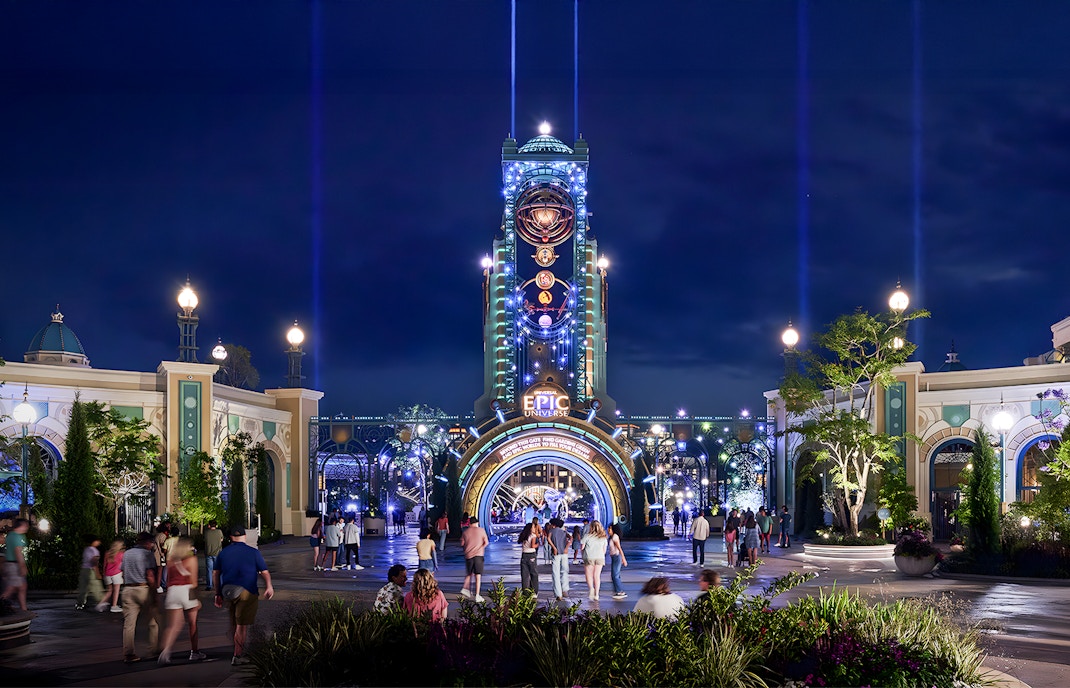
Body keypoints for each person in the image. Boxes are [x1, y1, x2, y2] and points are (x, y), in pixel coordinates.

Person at [213, 525, 274, 666]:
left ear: (231, 538)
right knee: (242, 626)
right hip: (246, 590)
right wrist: (269, 586)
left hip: (227, 590)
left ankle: (236, 644)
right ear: (245, 537)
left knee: (234, 622)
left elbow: (216, 573)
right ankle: (238, 655)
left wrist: (218, 593)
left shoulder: (223, 553)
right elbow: (264, 571)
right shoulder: (253, 552)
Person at [158, 537, 205, 664]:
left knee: (173, 625)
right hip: (187, 591)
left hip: (173, 592)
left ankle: (165, 652)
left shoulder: (171, 561)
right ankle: (194, 652)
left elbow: (168, 580)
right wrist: (198, 598)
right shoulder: (191, 560)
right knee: (192, 623)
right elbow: (194, 582)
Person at [120, 531, 160, 664]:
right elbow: (150, 575)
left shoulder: (127, 554)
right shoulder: (147, 554)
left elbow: (123, 571)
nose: (152, 545)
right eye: (151, 543)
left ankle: (129, 653)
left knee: (129, 624)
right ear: (147, 542)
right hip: (143, 589)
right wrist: (154, 594)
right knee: (152, 622)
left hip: (127, 589)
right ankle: (153, 650)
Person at [1, 518, 30, 613]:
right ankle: (23, 608)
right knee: (12, 588)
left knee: (21, 586)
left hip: (10, 564)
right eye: (25, 525)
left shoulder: (10, 535)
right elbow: (18, 552)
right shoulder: (18, 537)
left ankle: (24, 609)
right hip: (15, 564)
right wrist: (22, 566)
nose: (27, 527)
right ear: (20, 526)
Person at [459, 516, 488, 602]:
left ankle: (465, 588)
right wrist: (481, 548)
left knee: (469, 573)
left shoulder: (465, 532)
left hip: (468, 556)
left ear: (469, 524)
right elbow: (486, 542)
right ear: (477, 523)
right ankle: (477, 595)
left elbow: (462, 543)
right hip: (478, 556)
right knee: (478, 576)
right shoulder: (481, 530)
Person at [580, 520, 608, 601]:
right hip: (600, 557)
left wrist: (582, 554)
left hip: (589, 556)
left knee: (589, 575)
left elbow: (582, 547)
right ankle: (597, 594)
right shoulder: (603, 537)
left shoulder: (587, 536)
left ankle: (591, 588)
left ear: (591, 527)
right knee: (597, 576)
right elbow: (604, 550)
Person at [76, 535, 105, 611]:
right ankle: (101, 602)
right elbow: (94, 562)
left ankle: (80, 603)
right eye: (98, 541)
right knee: (96, 586)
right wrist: (98, 573)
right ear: (94, 541)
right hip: (91, 570)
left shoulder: (86, 549)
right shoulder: (95, 551)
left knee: (83, 588)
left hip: (84, 569)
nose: (99, 543)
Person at [546, 517, 571, 600]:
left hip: (556, 553)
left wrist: (554, 547)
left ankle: (558, 594)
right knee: (564, 571)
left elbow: (548, 539)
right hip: (564, 553)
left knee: (555, 573)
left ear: (553, 525)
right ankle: (565, 589)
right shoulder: (563, 531)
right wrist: (567, 547)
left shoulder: (552, 531)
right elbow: (570, 538)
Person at [103, 538, 125, 612]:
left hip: (107, 574)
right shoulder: (121, 554)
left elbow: (104, 565)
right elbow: (123, 565)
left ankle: (101, 603)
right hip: (117, 573)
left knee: (109, 590)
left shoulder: (107, 553)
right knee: (116, 590)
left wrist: (103, 573)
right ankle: (114, 606)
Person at [607, 523, 629, 599]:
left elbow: (619, 548)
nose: (608, 530)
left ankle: (620, 591)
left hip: (616, 557)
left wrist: (623, 558)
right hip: (614, 557)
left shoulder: (615, 537)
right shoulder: (611, 537)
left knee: (615, 575)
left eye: (609, 528)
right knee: (615, 575)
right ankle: (617, 591)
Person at [518, 523, 539, 594]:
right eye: (533, 527)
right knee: (534, 574)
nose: (534, 529)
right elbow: (533, 545)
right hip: (531, 555)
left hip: (524, 555)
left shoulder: (524, 535)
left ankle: (525, 592)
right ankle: (533, 592)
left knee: (525, 575)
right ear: (530, 528)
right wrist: (538, 544)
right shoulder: (533, 536)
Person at [203, 521, 223, 590]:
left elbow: (205, 540)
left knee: (209, 570)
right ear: (216, 525)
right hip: (218, 553)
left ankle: (209, 585)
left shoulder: (206, 533)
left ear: (209, 525)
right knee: (218, 570)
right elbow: (222, 539)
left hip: (208, 553)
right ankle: (219, 584)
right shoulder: (219, 532)